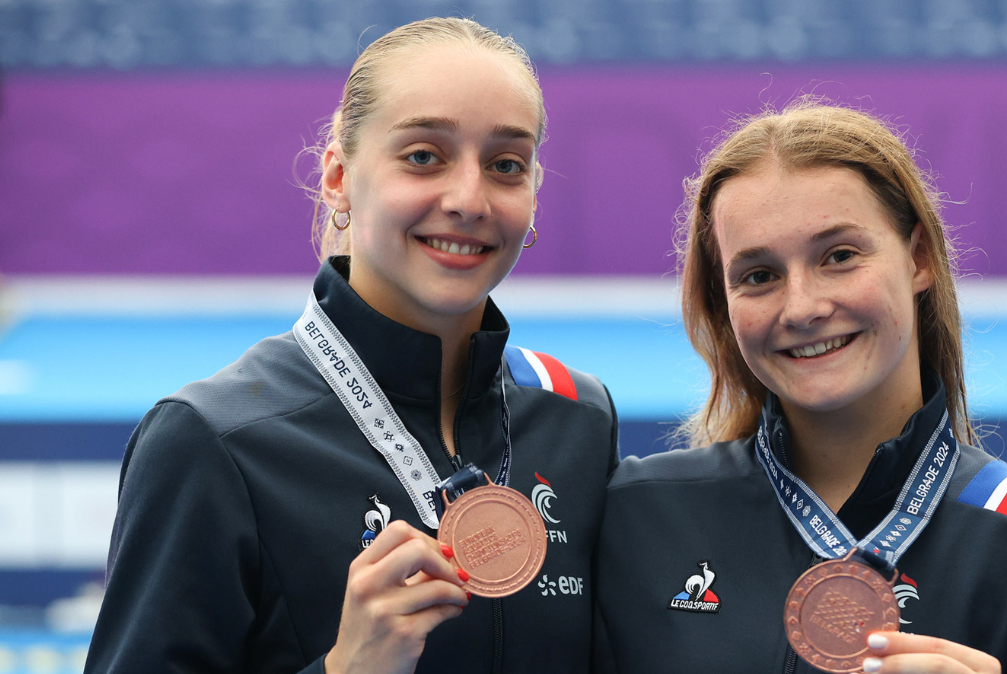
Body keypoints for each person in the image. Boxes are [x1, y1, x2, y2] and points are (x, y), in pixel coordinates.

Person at [85, 18, 618, 674]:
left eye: (505, 165)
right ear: (339, 176)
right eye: (424, 155)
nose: (469, 198)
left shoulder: (578, 418)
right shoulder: (213, 441)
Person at [594, 100, 1007, 673]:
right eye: (759, 276)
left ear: (919, 258)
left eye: (840, 256)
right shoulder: (638, 514)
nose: (803, 307)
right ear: (724, 303)